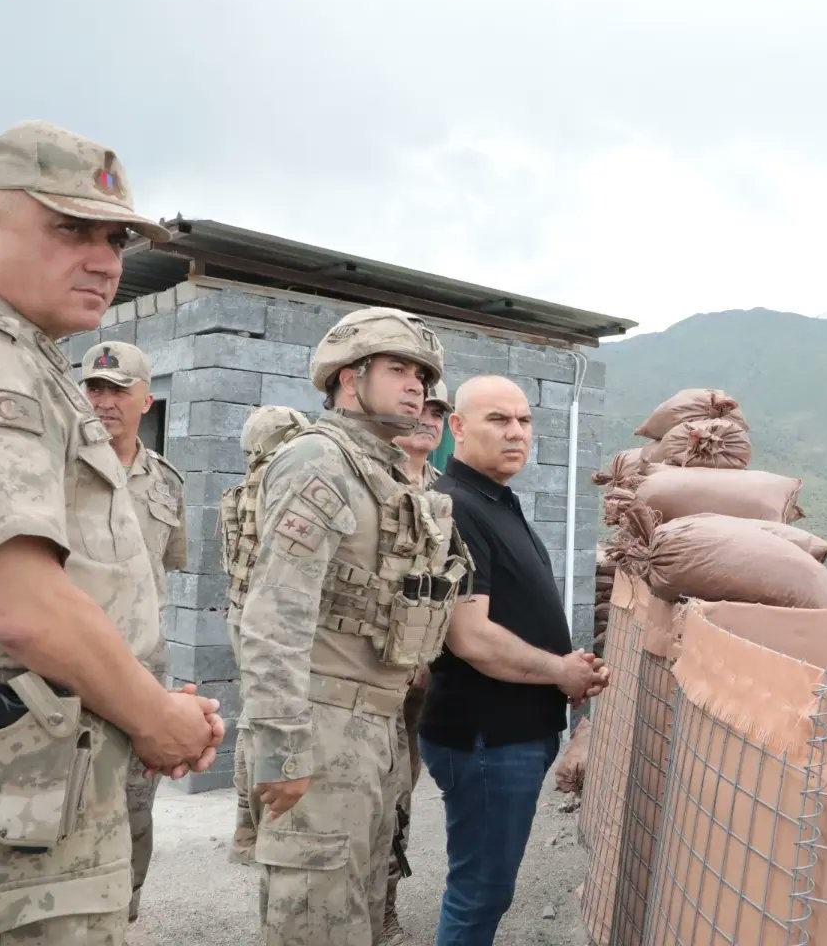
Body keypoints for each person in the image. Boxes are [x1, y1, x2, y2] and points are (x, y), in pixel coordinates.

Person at [0, 119, 224, 945]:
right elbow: (19, 604)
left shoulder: (33, 357)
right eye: (68, 228)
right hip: (15, 806)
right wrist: (154, 717)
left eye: (114, 237)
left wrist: (149, 702)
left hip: (56, 775)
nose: (104, 259)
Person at [226, 306, 472, 945]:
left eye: (421, 373)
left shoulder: (387, 473)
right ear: (347, 378)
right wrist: (282, 746)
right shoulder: (319, 460)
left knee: (361, 917)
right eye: (398, 369)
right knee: (314, 923)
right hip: (322, 725)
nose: (417, 386)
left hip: (376, 727)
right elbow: (275, 614)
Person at [420, 373, 610, 946]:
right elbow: (470, 638)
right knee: (480, 890)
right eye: (498, 420)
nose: (516, 433)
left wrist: (563, 662)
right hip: (487, 738)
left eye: (524, 421)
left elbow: (512, 613)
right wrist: (559, 671)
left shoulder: (496, 501)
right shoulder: (457, 507)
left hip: (510, 734)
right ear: (457, 427)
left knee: (485, 886)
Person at [77, 339, 189, 924]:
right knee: (60, 802)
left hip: (145, 666)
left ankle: (124, 915)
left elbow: (165, 568)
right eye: (94, 387)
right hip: (68, 665)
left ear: (146, 399)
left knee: (135, 804)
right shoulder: (58, 468)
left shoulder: (167, 484)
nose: (102, 400)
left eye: (117, 390)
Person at [381, 376, 451, 945]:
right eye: (420, 406)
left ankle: (383, 910)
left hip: (418, 685)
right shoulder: (364, 479)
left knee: (399, 796)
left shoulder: (444, 494)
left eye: (438, 410)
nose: (427, 417)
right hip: (362, 676)